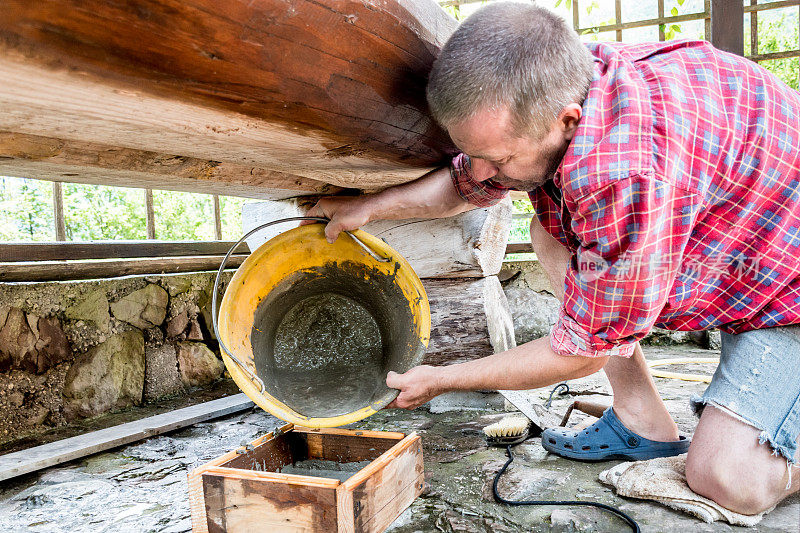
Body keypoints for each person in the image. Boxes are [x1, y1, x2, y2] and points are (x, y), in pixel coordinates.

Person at [306, 2, 800, 515]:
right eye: (473, 152)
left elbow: (580, 353)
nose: (481, 172)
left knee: (729, 479)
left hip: (788, 292)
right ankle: (642, 421)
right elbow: (463, 181)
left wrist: (442, 377)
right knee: (551, 229)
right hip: (749, 247)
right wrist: (368, 208)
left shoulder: (622, 175)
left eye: (498, 160)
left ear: (567, 121)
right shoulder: (562, 77)